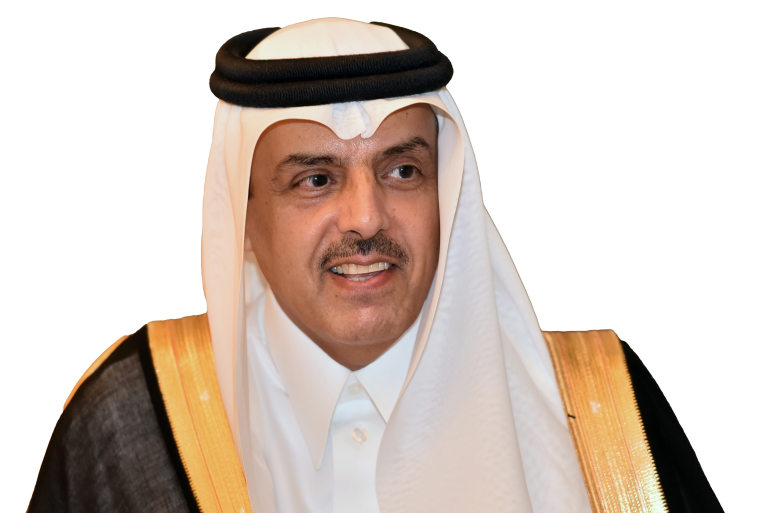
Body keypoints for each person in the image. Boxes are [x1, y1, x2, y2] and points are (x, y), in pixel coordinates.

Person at [27, 18, 722, 513]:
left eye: (402, 170)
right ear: (244, 221)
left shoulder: (599, 407)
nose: (365, 219)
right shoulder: (136, 415)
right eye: (316, 179)